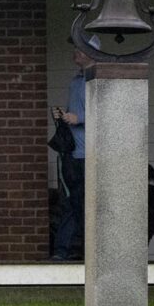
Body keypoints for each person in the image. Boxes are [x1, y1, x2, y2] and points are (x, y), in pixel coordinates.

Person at [51, 35, 97, 261]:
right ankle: (64, 250)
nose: (75, 52)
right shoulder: (75, 82)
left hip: (90, 154)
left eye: (80, 49)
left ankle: (78, 249)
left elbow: (106, 112)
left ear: (91, 53)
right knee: (71, 202)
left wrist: (78, 118)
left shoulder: (98, 80)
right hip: (72, 154)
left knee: (83, 203)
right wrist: (64, 117)